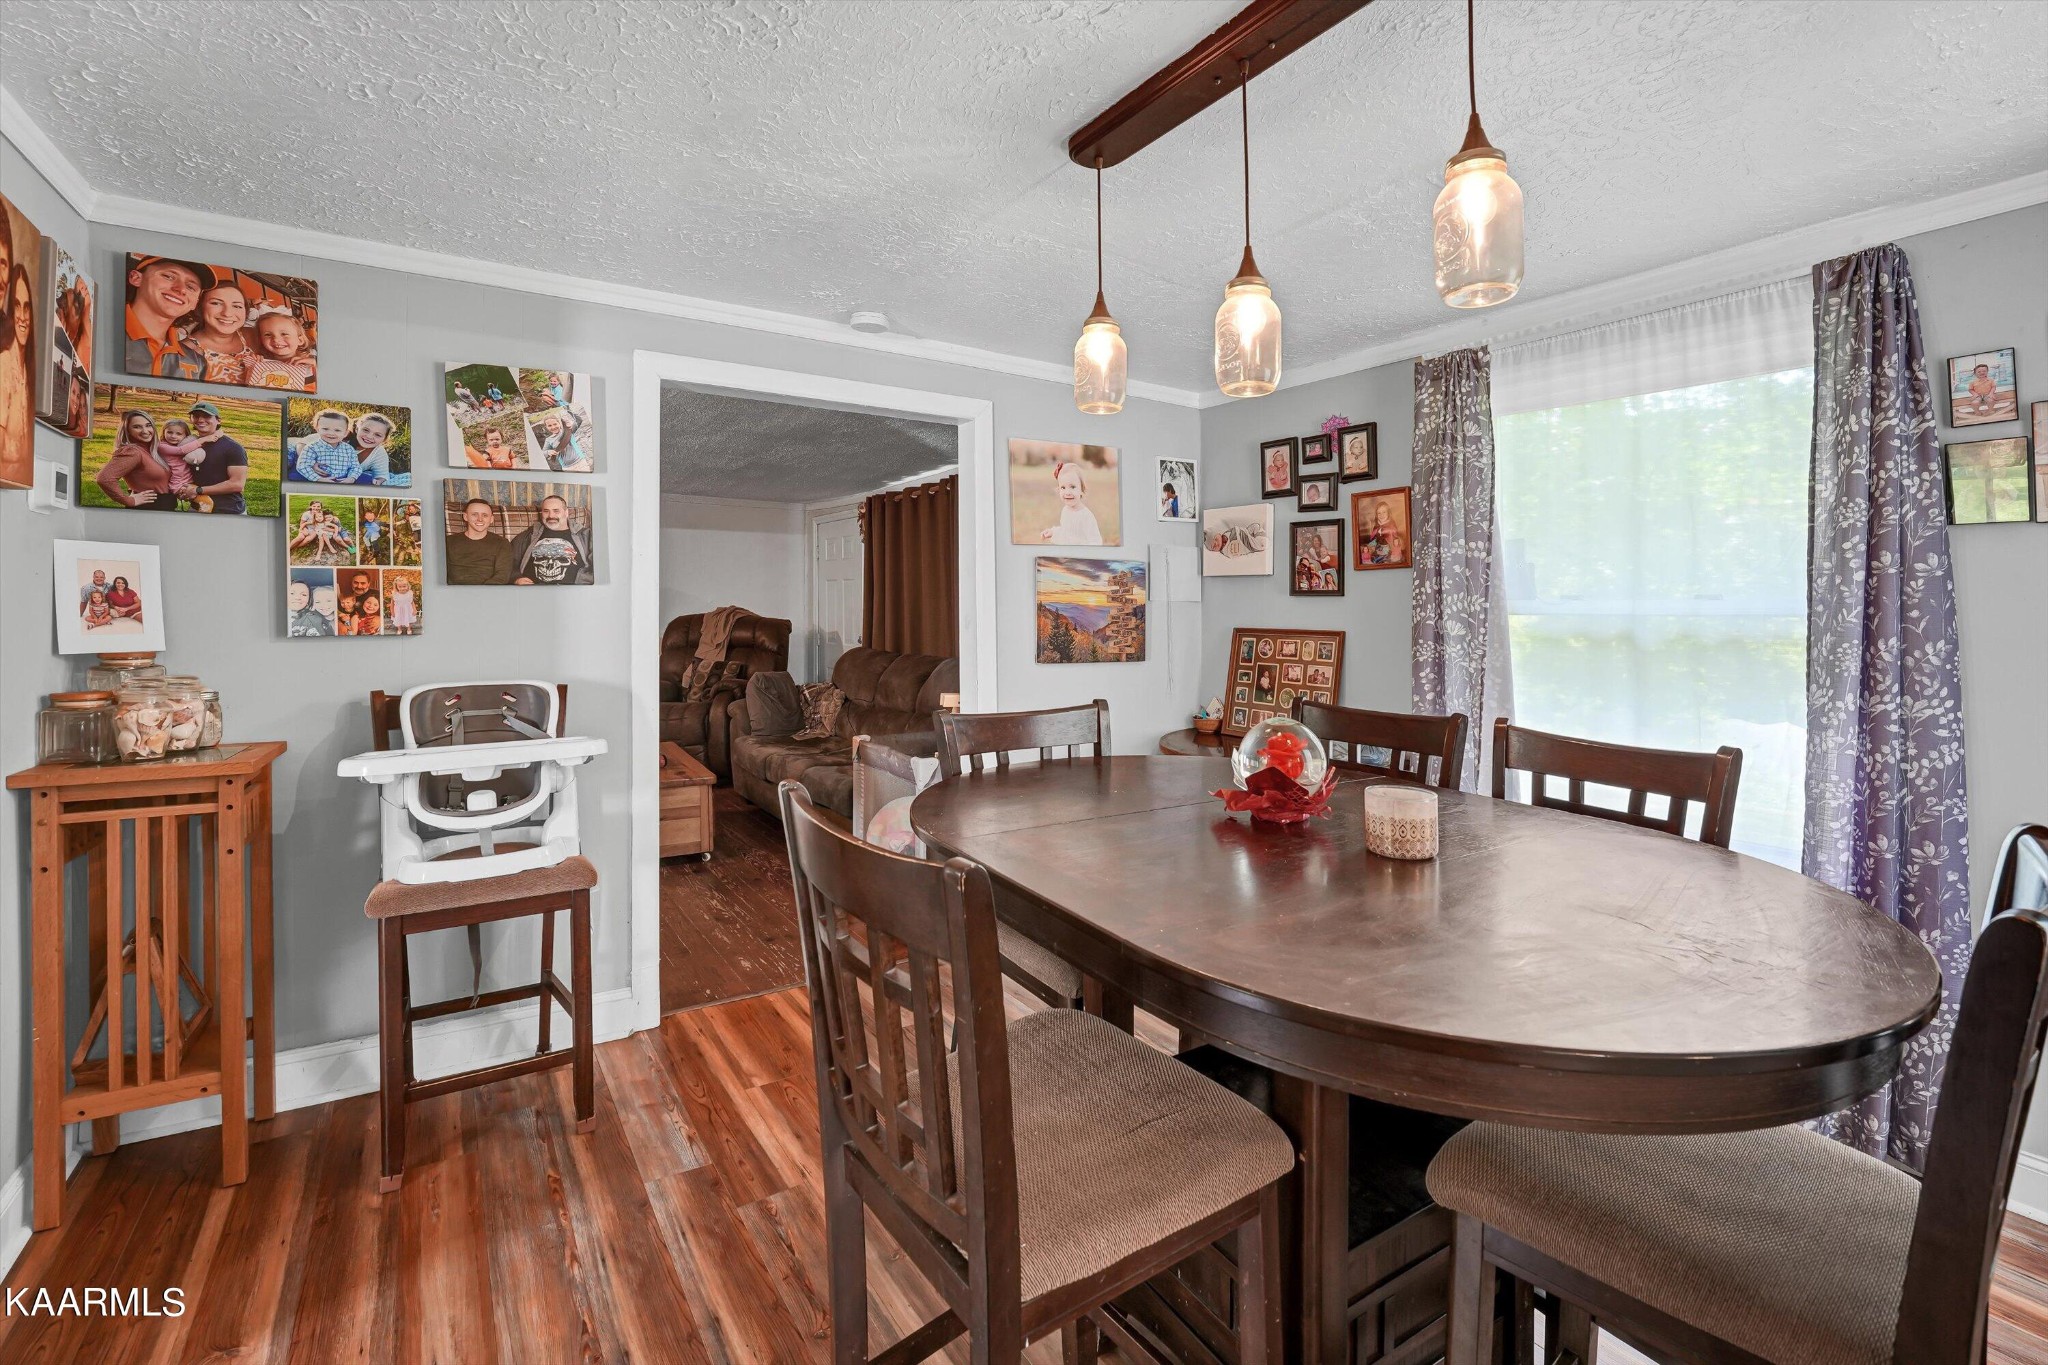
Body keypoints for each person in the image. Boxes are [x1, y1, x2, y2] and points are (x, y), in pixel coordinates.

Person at [123, 256, 210, 380]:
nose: (181, 289)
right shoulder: (97, 331)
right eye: (168, 276)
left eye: (191, 287)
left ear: (195, 303)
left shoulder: (198, 363)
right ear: (136, 278)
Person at [96, 410, 174, 509]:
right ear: (127, 430)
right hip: (148, 508)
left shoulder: (152, 449)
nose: (145, 431)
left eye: (148, 425)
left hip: (163, 506)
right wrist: (129, 500)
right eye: (137, 427)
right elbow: (104, 478)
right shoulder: (133, 452)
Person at [510, 493, 595, 585]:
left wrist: (585, 584)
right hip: (534, 591)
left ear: (566, 513)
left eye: (556, 511)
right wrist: (516, 578)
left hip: (572, 592)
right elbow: (507, 560)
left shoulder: (586, 536)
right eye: (546, 511)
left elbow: (601, 567)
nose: (551, 516)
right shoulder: (529, 535)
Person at [183, 282, 257, 385]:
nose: (227, 313)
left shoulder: (256, 337)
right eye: (216, 303)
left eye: (237, 306)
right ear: (200, 307)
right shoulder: (186, 350)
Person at [185, 402, 249, 515]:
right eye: (196, 416)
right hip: (197, 508)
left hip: (228, 511)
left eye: (206, 416)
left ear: (218, 420)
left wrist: (198, 490)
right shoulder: (192, 445)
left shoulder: (233, 448)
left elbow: (237, 484)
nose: (200, 420)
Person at [0, 265, 34, 473]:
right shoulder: (4, 365)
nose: (22, 316)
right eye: (16, 306)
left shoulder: (27, 372)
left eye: (27, 307)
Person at [241, 304, 315, 390]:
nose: (276, 339)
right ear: (261, 340)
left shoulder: (313, 362)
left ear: (300, 340)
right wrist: (252, 366)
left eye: (284, 334)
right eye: (268, 334)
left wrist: (317, 367)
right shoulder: (260, 361)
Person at [446, 497, 514, 584]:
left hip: (488, 592)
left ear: (491, 519)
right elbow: (441, 573)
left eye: (485, 515)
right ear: (466, 517)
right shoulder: (449, 541)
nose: (480, 519)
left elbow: (502, 576)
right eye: (474, 514)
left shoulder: (502, 543)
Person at [1036, 460, 1103, 545]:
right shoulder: (1065, 510)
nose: (1067, 492)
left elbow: (1096, 541)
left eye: (1072, 487)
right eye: (1063, 487)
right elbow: (1066, 532)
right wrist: (1053, 532)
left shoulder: (1086, 516)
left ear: (1081, 490)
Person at [293, 408, 359, 482]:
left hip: (343, 479)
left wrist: (351, 478)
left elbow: (355, 467)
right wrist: (318, 479)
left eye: (337, 430)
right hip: (318, 479)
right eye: (325, 429)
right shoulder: (312, 447)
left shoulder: (349, 449)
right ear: (317, 429)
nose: (331, 433)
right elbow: (302, 466)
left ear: (345, 433)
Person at [154, 417, 207, 504]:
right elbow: (181, 450)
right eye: (169, 432)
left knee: (203, 499)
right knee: (205, 502)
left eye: (179, 434)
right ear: (163, 432)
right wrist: (203, 439)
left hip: (189, 481)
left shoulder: (182, 445)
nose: (173, 436)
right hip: (178, 484)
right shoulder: (162, 446)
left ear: (185, 436)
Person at [531, 407, 591, 473]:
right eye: (550, 425)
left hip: (581, 463)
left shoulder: (569, 430)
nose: (553, 427)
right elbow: (542, 453)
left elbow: (579, 420)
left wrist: (568, 410)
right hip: (567, 468)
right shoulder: (548, 440)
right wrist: (548, 452)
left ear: (559, 423)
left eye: (555, 424)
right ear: (546, 427)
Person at [347, 412, 400, 484]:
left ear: (384, 439)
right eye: (366, 430)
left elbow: (382, 476)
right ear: (357, 429)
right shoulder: (341, 439)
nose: (369, 436)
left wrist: (377, 481)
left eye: (377, 435)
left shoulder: (378, 452)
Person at [1360, 500, 1406, 566]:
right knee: (1373, 558)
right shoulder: (1376, 526)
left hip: (1389, 549)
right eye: (1379, 513)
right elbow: (1374, 538)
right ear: (1376, 515)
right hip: (1378, 548)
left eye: (1384, 512)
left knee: (1387, 559)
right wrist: (1372, 544)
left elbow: (1393, 538)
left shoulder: (1391, 526)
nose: (1381, 515)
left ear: (1388, 513)